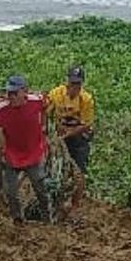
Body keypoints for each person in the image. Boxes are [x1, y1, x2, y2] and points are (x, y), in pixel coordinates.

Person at [0, 75, 51, 224]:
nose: (11, 96)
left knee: (40, 189)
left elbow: (46, 104)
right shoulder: (1, 109)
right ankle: (17, 219)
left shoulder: (36, 100)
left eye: (15, 93)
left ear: (24, 91)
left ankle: (47, 217)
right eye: (9, 93)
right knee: (10, 191)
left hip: (33, 153)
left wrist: (43, 126)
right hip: (12, 155)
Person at [46, 65, 95, 215]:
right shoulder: (56, 94)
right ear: (67, 81)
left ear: (82, 84)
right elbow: (45, 110)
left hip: (79, 136)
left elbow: (86, 124)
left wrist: (69, 133)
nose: (74, 87)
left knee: (79, 171)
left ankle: (75, 205)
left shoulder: (86, 99)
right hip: (61, 134)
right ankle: (54, 199)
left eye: (78, 84)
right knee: (54, 167)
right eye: (72, 83)